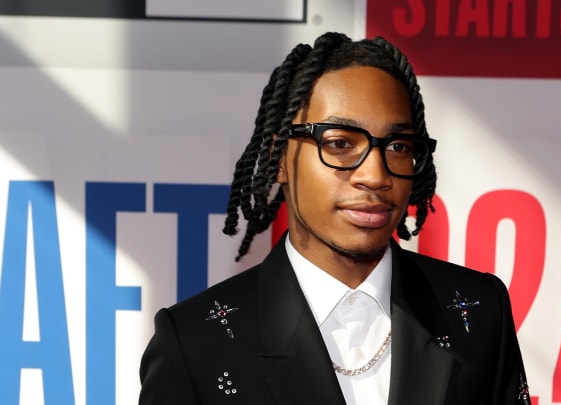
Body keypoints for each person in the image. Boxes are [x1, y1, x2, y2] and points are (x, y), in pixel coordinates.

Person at [139, 32, 532, 405]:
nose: (376, 175)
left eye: (397, 146)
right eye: (340, 143)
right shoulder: (195, 342)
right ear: (279, 158)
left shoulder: (477, 311)